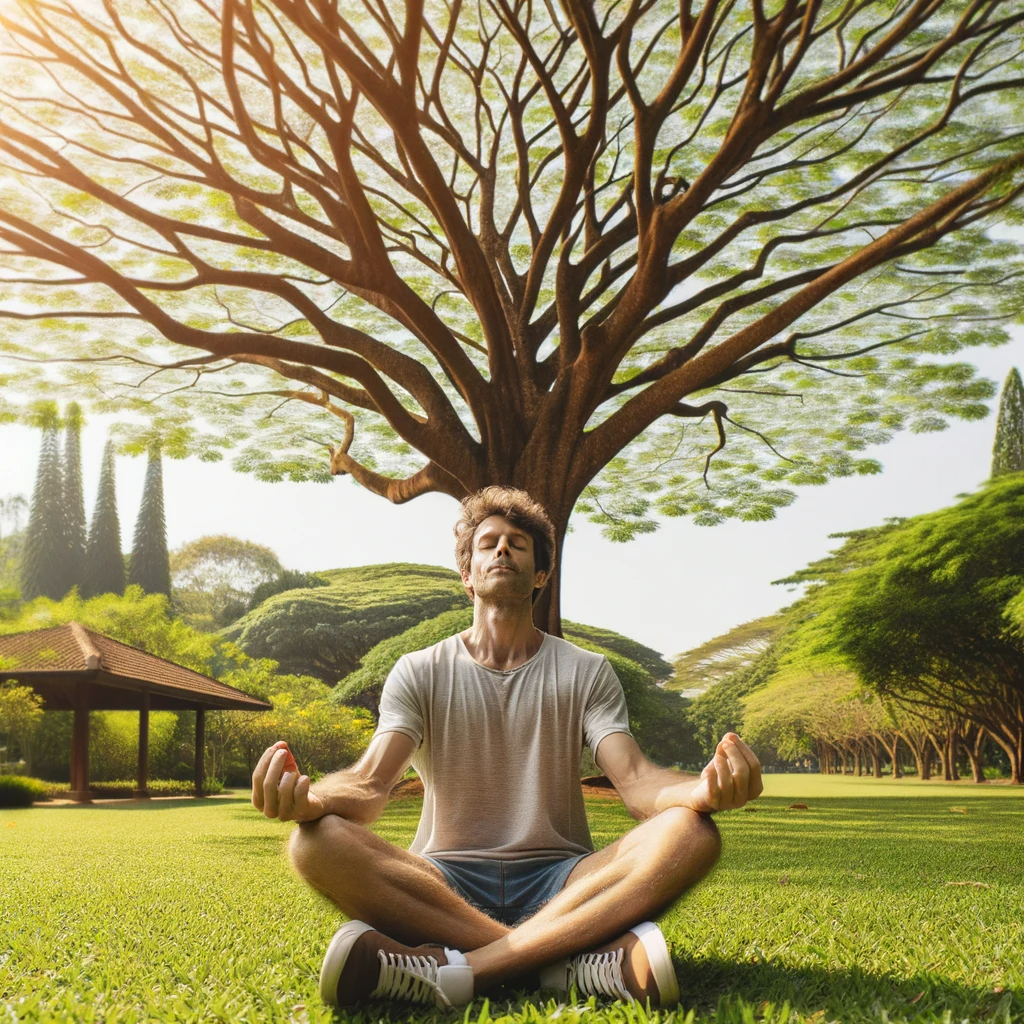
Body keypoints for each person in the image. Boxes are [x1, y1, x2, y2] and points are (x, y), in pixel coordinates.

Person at [252, 486, 762, 1010]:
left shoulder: (587, 672)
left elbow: (634, 780)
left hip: (564, 879)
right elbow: (370, 784)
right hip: (443, 882)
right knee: (315, 843)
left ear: (540, 575)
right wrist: (315, 800)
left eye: (518, 544)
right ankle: (565, 964)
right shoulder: (418, 670)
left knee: (690, 833)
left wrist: (698, 791)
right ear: (467, 574)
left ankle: (460, 970)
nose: (502, 549)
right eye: (488, 542)